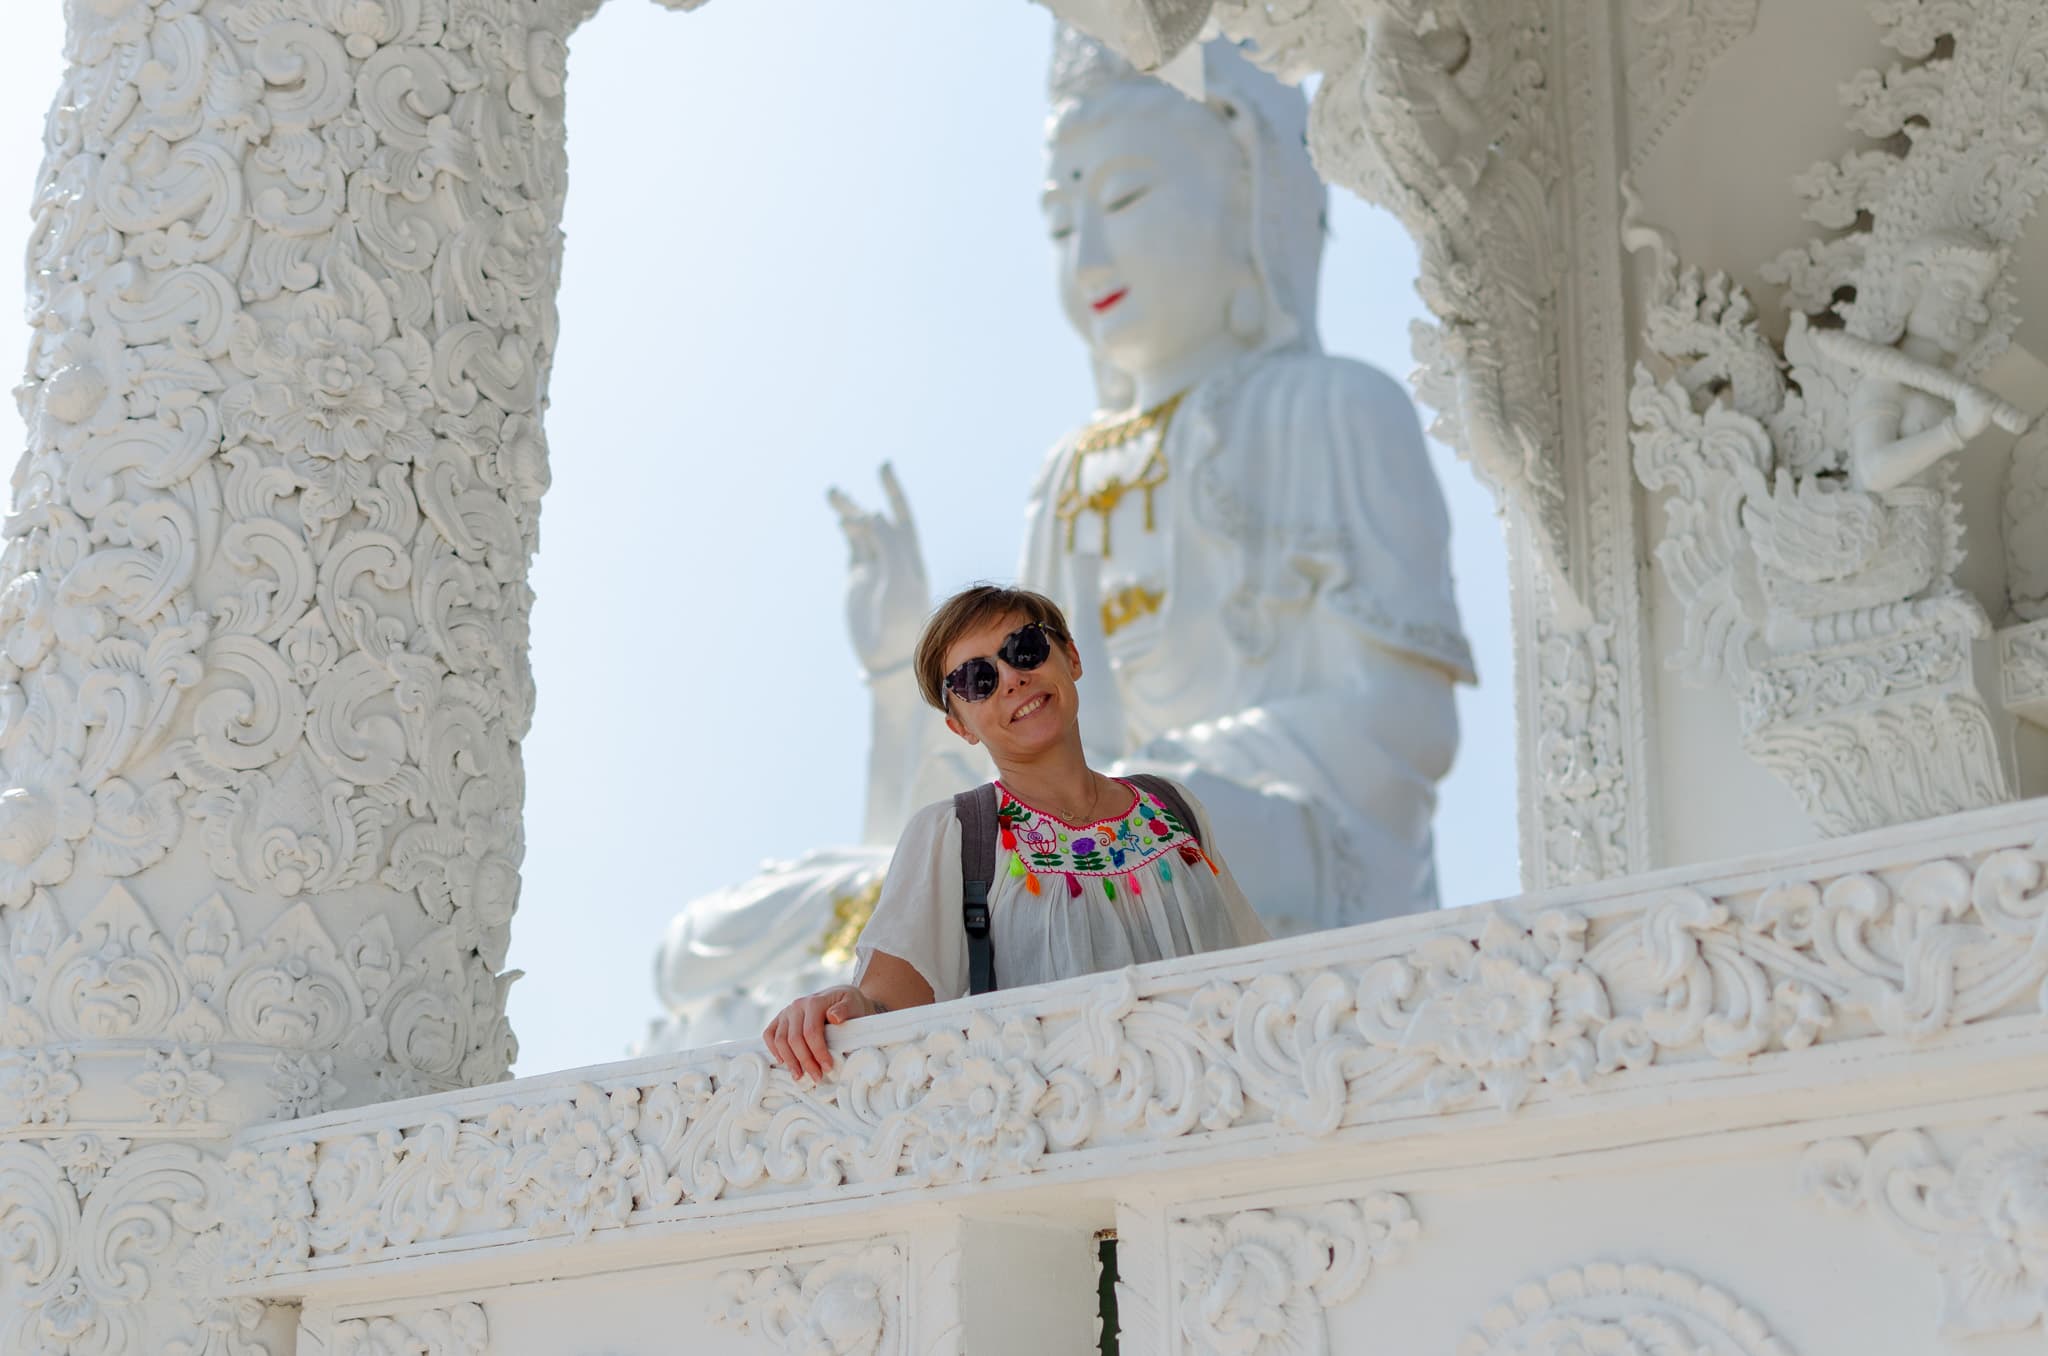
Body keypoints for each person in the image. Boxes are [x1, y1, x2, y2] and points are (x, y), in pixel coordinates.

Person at [762, 585, 1268, 1080]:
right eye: (976, 679)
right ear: (960, 726)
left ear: (1070, 657)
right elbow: (885, 1010)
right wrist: (835, 1008)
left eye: (1024, 649)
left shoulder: (1172, 806)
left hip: (1234, 1113)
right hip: (1070, 1141)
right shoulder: (956, 834)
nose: (1010, 678)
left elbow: (1259, 969)